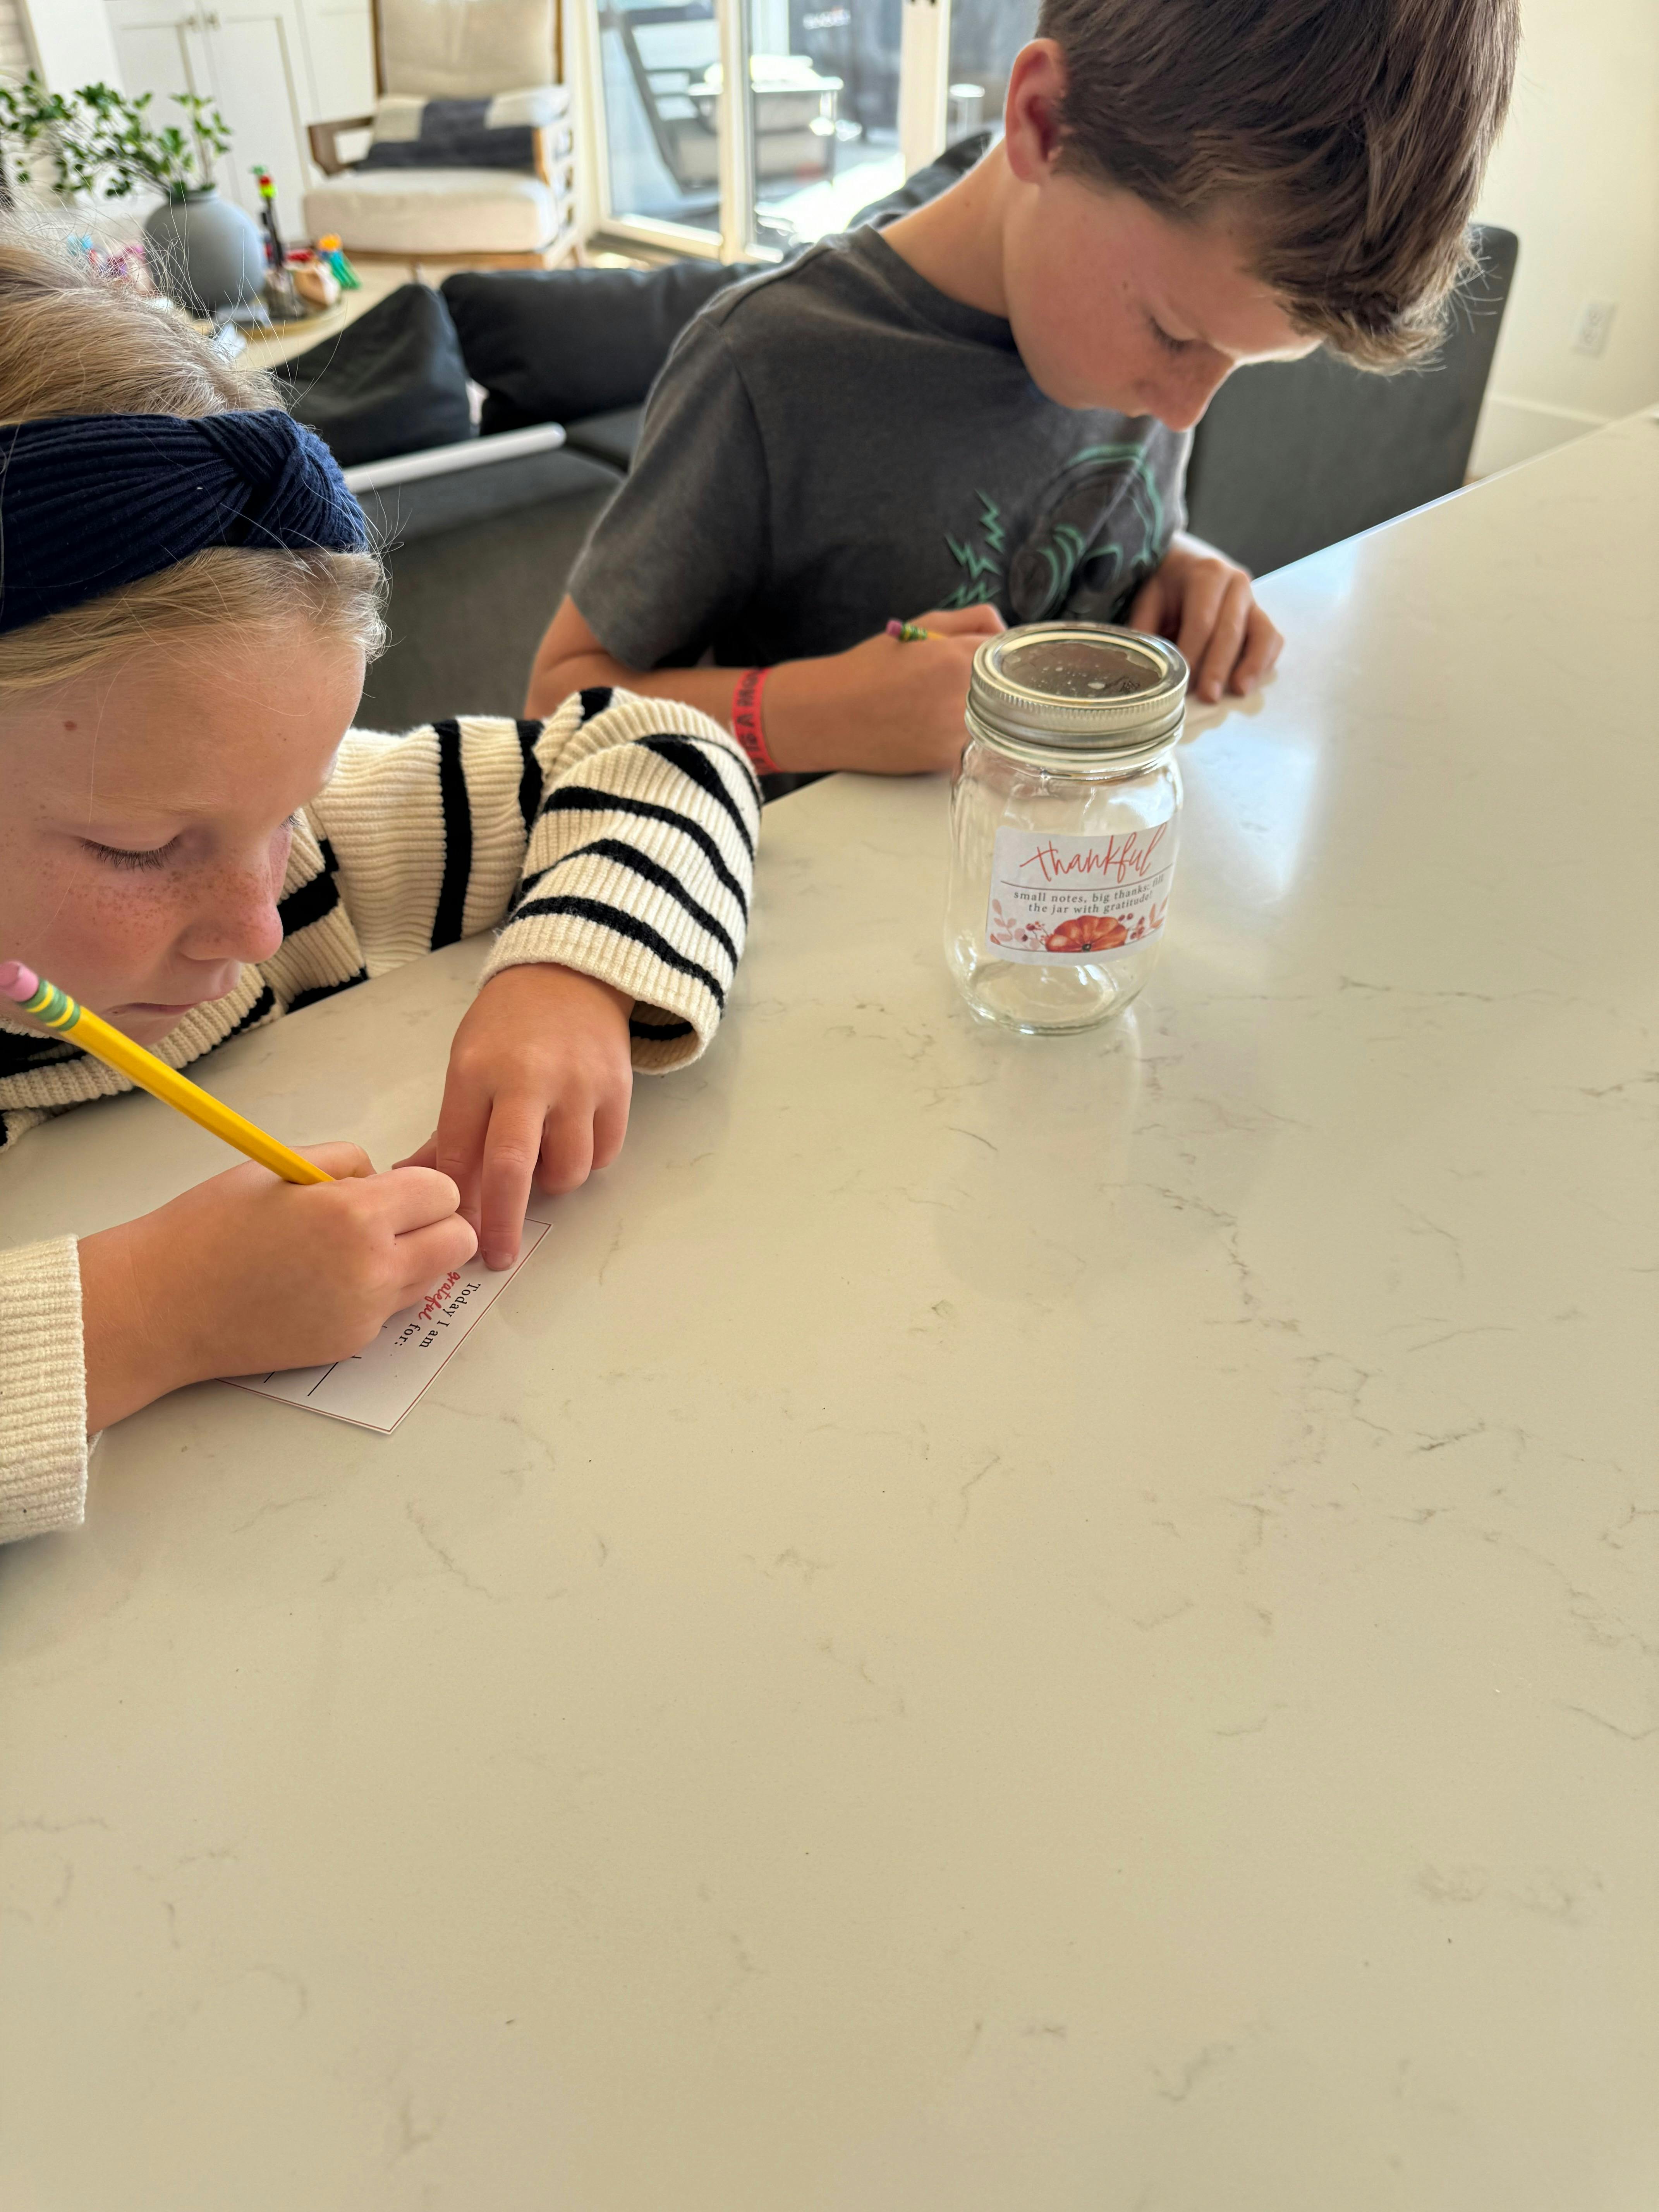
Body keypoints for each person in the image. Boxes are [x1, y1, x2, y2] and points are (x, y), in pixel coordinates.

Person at [0, 243, 758, 1544]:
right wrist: (150, 1312)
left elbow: (664, 749)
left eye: (285, 801)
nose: (255, 922)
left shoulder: (318, 849)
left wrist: (569, 973)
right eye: (139, 850)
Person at [526, 0, 1517, 781]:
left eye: (1240, 363)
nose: (1181, 412)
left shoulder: (1131, 295)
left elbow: (1092, 507)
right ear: (1046, 122)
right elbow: (555, 706)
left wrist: (1175, 556)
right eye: (1176, 336)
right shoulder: (768, 367)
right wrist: (811, 715)